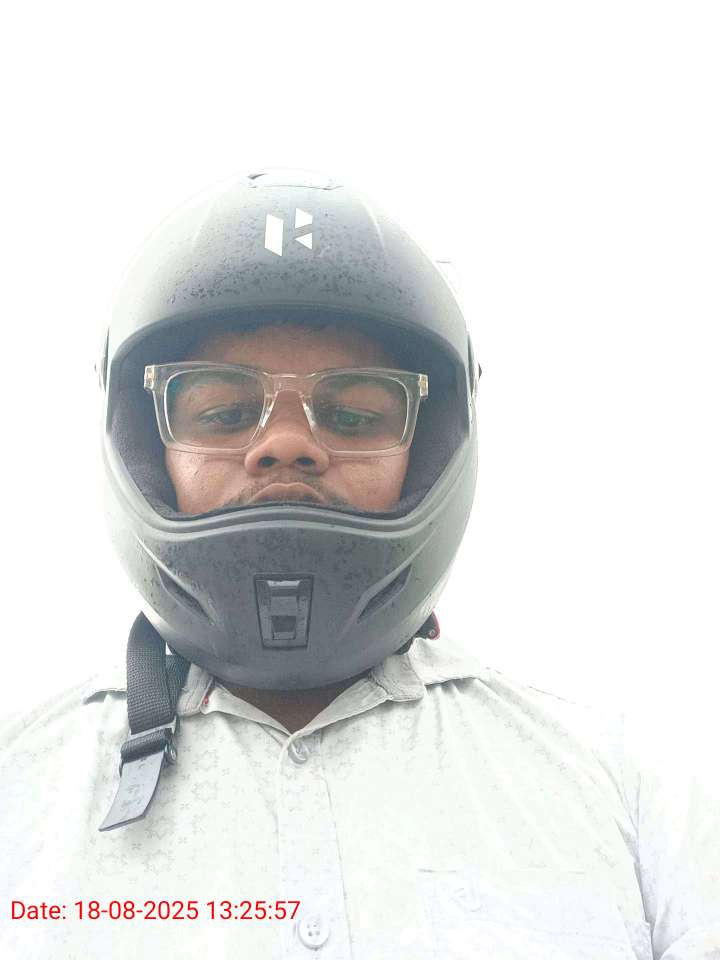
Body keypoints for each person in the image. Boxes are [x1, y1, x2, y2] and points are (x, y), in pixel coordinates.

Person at [0, 168, 717, 959]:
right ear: (144, 445)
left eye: (353, 413)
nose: (285, 443)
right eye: (224, 411)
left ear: (431, 445)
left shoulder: (628, 790)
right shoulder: (22, 793)